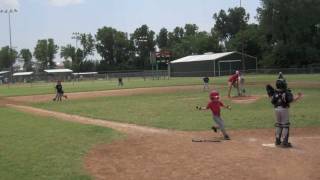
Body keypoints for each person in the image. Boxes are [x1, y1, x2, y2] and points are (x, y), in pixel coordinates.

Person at [269, 76, 302, 148]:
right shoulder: (287, 92)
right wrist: (298, 97)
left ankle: (277, 141)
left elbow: (272, 102)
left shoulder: (275, 92)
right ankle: (285, 142)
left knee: (278, 124)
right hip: (284, 109)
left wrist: (271, 95)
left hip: (276, 109)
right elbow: (291, 100)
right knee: (285, 125)